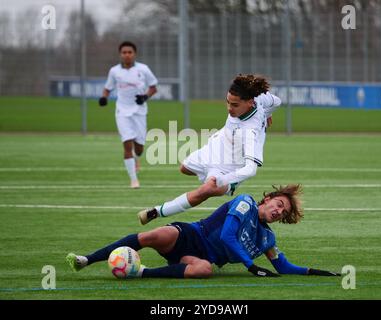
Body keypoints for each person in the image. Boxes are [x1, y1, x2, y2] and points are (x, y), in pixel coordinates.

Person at [66, 184, 341, 279]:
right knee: (153, 236)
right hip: (190, 235)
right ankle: (87, 260)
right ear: (267, 198)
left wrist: (315, 272)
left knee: (205, 270)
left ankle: (140, 273)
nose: (279, 211)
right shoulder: (244, 202)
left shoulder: (268, 238)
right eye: (279, 204)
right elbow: (227, 236)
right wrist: (250, 266)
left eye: (283, 212)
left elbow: (282, 266)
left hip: (200, 258)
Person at [137, 74, 281, 225]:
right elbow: (277, 101)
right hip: (216, 147)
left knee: (206, 191)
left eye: (235, 105)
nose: (229, 108)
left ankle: (156, 212)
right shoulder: (259, 99)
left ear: (250, 103)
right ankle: (208, 178)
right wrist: (268, 114)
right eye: (228, 102)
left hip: (228, 168)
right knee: (184, 168)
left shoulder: (249, 131)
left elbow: (250, 170)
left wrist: (222, 180)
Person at [98, 41, 158, 188]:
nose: (127, 55)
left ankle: (137, 159)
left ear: (134, 54)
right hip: (122, 111)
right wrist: (104, 97)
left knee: (139, 148)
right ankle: (133, 180)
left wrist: (145, 97)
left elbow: (153, 87)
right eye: (124, 52)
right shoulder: (114, 71)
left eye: (129, 52)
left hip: (139, 111)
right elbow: (107, 88)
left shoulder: (143, 69)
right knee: (127, 144)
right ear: (120, 54)